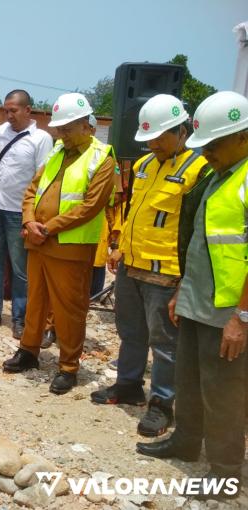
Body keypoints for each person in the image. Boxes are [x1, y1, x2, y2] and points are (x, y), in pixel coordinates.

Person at [137, 91, 248, 499]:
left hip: (229, 312)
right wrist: (183, 289)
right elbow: (200, 242)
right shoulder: (217, 176)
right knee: (189, 380)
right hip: (197, 301)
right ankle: (185, 440)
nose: (209, 153)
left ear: (243, 135)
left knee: (223, 394)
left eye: (215, 145)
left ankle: (225, 474)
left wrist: (242, 318)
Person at [90, 95, 209, 437]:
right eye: (150, 139)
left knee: (165, 344)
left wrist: (184, 280)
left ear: (181, 131)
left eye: (159, 138)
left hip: (165, 274)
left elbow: (192, 232)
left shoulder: (197, 171)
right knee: (131, 332)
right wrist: (119, 247)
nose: (153, 144)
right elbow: (134, 213)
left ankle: (161, 405)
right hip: (131, 266)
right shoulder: (144, 167)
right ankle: (128, 386)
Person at [3, 92, 117, 395]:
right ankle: (29, 351)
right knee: (35, 301)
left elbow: (90, 206)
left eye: (67, 128)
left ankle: (68, 366)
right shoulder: (56, 151)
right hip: (38, 242)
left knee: (69, 309)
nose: (61, 133)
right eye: (59, 128)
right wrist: (29, 221)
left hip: (69, 247)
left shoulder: (102, 157)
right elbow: (32, 189)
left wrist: (48, 227)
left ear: (85, 124)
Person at [0, 90, 53, 339]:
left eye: (13, 111)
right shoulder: (2, 132)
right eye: (6, 111)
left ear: (28, 110)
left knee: (20, 269)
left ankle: (20, 318)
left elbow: (43, 182)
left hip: (20, 212)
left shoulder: (41, 139)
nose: (8, 116)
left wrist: (31, 219)